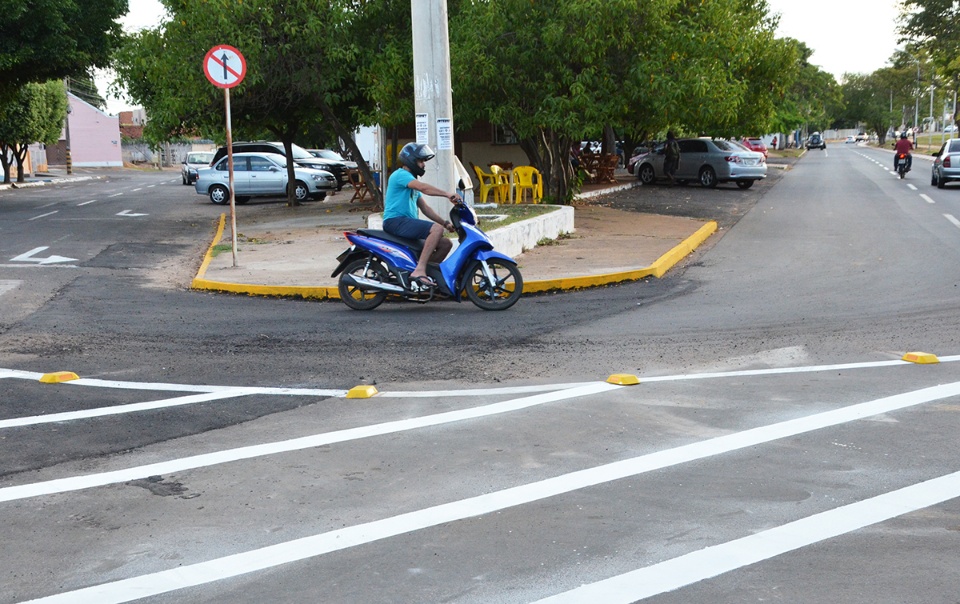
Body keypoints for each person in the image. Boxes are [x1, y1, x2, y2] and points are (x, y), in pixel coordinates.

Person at [383, 142, 461, 288]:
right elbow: (424, 188)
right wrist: (447, 194)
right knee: (436, 230)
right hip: (395, 221)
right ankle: (419, 270)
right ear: (411, 160)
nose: (423, 165)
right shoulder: (401, 175)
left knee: (445, 243)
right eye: (421, 161)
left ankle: (426, 277)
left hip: (404, 222)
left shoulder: (411, 182)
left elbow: (425, 208)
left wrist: (445, 223)